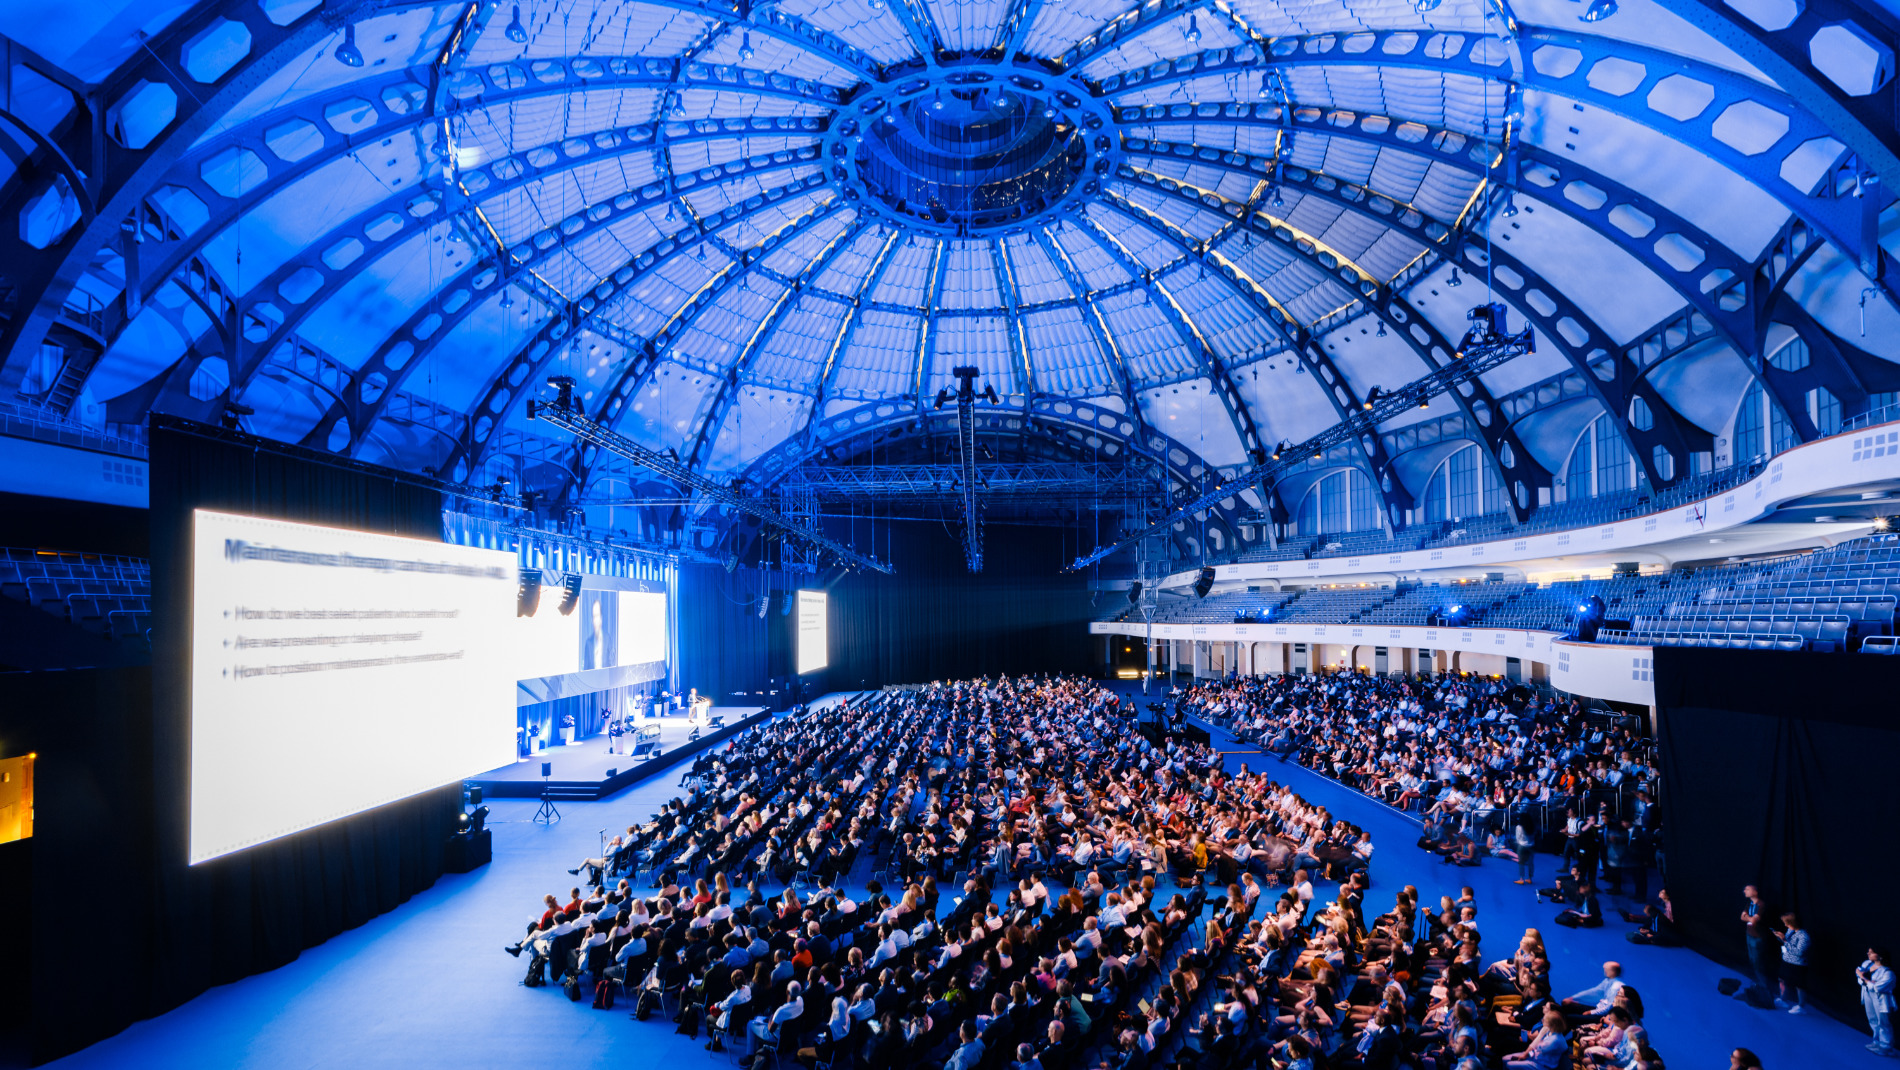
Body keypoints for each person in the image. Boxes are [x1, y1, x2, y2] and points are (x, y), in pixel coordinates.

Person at [1859, 947, 1897, 1056]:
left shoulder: (1888, 973)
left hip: (1881, 999)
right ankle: (1877, 1041)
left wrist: (1864, 978)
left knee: (1883, 1022)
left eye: (1871, 952)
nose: (1868, 954)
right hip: (1868, 995)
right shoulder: (1867, 964)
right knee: (1872, 1018)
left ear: (1879, 956)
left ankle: (1886, 1046)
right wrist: (1866, 980)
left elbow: (1878, 987)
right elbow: (1859, 976)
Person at [1773, 912, 1811, 1014]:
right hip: (1786, 960)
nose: (1785, 925)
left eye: (1787, 923)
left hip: (1798, 965)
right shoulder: (1790, 930)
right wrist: (1780, 937)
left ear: (1794, 923)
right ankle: (1783, 999)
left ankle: (1801, 1006)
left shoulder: (1804, 936)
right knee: (1782, 979)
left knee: (1799, 985)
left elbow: (1799, 952)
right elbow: (1787, 944)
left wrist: (1784, 940)